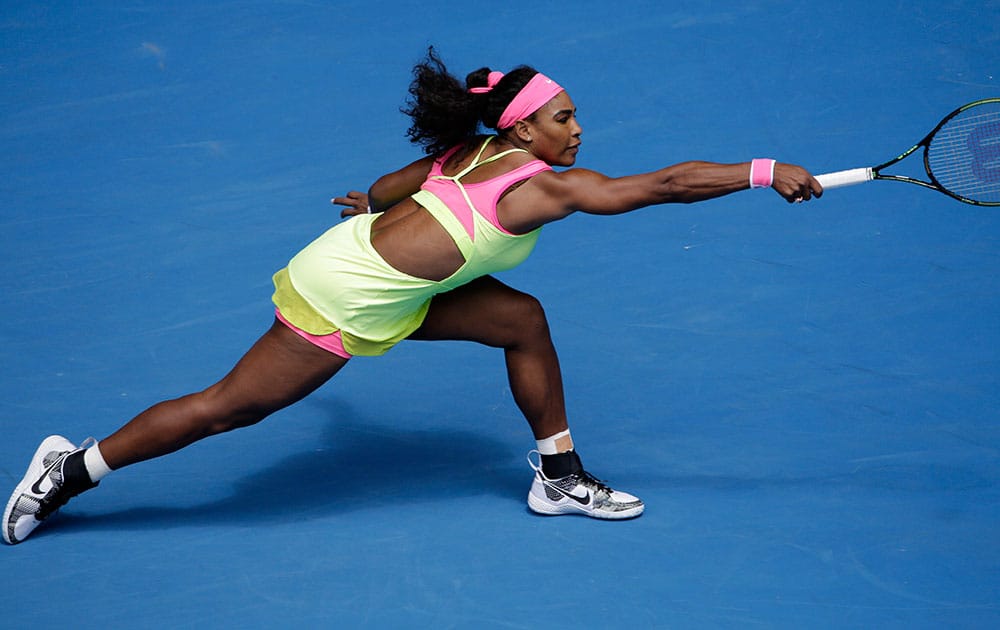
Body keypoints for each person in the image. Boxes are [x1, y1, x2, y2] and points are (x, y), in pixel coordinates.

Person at [3, 48, 821, 545]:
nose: (576, 132)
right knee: (228, 408)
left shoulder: (465, 154)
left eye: (576, 118)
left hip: (363, 262)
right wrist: (761, 171)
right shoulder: (547, 191)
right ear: (524, 133)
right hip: (347, 297)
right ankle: (70, 468)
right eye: (563, 120)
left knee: (521, 320)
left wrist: (386, 214)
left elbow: (383, 187)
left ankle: (559, 476)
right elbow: (667, 186)